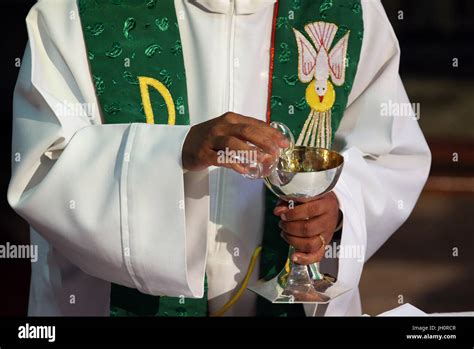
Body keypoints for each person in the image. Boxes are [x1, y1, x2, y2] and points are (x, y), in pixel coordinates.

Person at [8, 0, 431, 316]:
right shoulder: (76, 12)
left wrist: (338, 211)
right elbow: (42, 167)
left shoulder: (347, 9)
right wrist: (173, 154)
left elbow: (388, 154)